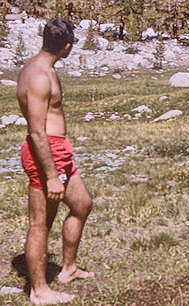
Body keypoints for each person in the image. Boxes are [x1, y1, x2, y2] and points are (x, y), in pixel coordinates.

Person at [16, 18, 94, 305]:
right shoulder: (38, 76)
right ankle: (39, 290)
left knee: (82, 203)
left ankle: (68, 268)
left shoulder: (41, 67)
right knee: (40, 223)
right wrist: (50, 175)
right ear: (67, 46)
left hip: (58, 152)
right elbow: (37, 132)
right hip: (45, 154)